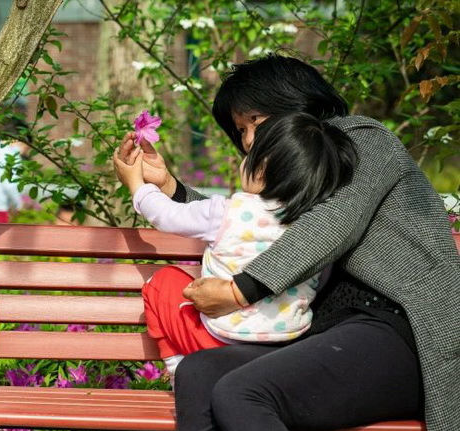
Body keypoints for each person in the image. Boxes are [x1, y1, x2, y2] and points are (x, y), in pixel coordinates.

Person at [115, 54, 460, 431]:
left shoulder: (364, 140)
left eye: (254, 121)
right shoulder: (303, 172)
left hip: (404, 334)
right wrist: (170, 188)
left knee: (242, 393)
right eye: (240, 130)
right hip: (334, 335)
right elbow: (250, 226)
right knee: (198, 375)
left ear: (293, 98)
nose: (248, 140)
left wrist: (239, 290)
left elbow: (331, 224)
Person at [115, 112, 357, 381]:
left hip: (216, 342)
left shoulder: (228, 211)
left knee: (161, 282)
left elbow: (167, 215)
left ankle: (177, 368)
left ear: (261, 168)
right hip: (284, 350)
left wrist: (136, 184)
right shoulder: (312, 228)